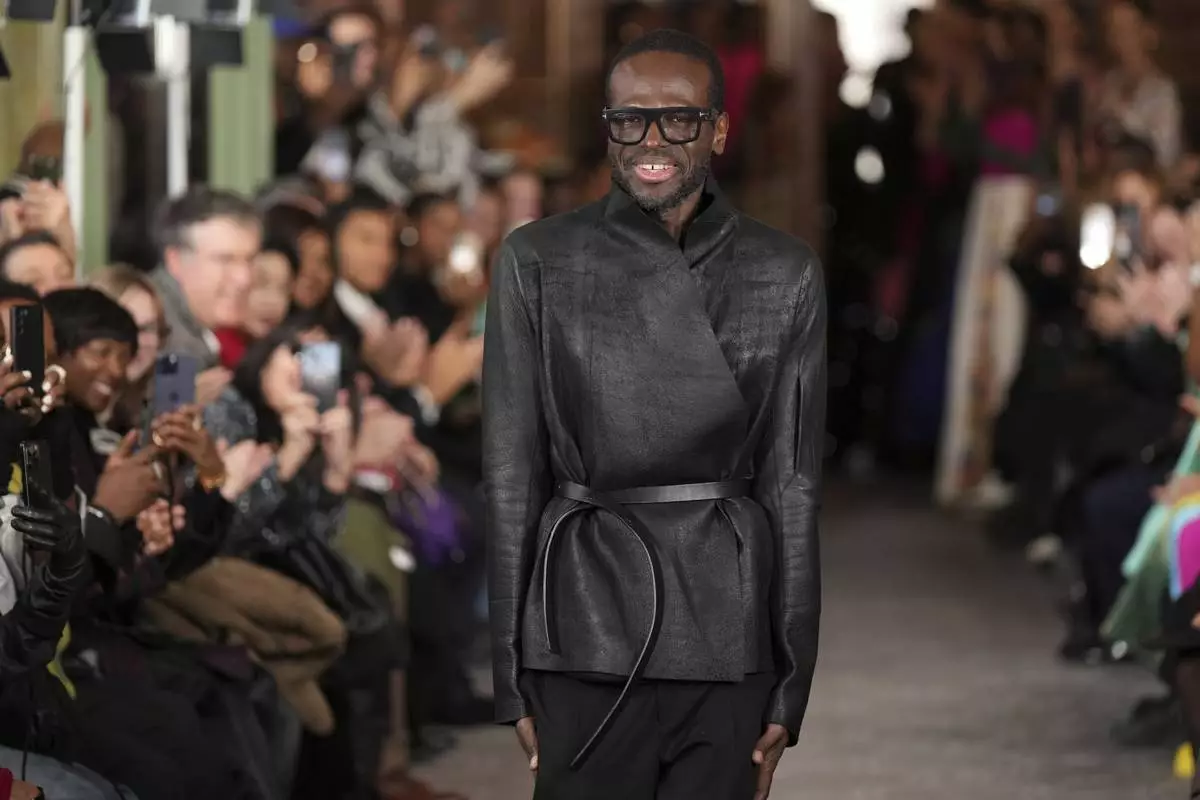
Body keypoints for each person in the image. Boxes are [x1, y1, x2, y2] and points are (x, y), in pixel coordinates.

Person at [483, 28, 826, 800]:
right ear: (607, 126)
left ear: (719, 129)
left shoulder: (783, 271)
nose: (652, 140)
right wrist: (508, 675)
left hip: (726, 620)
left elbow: (793, 483)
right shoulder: (536, 259)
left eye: (679, 119)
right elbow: (510, 473)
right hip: (582, 614)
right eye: (629, 119)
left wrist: (792, 681)